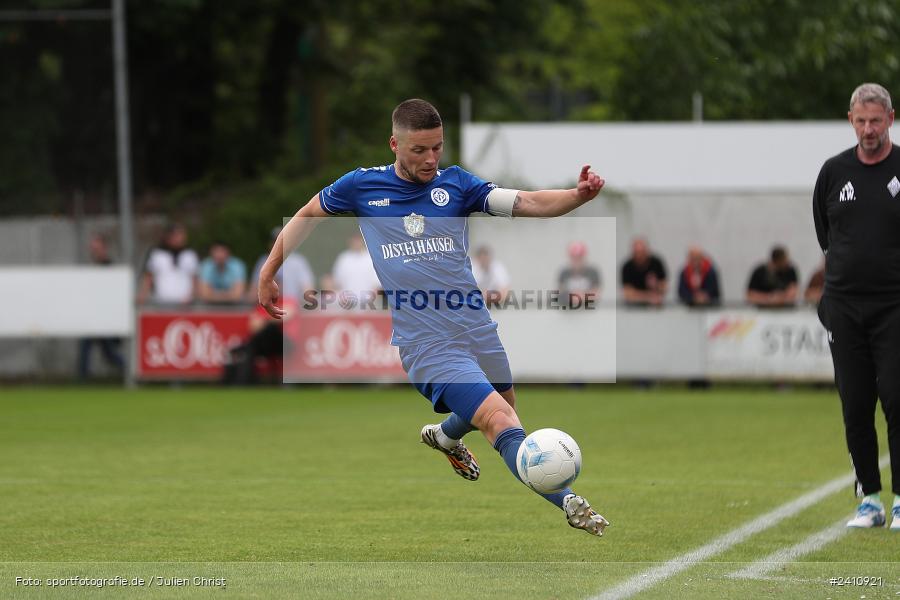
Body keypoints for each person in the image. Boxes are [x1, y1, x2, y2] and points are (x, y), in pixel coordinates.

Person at [258, 99, 609, 536]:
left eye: (436, 149)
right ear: (394, 144)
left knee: (504, 414)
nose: (430, 159)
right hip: (427, 344)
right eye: (419, 150)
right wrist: (270, 270)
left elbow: (526, 203)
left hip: (477, 328)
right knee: (501, 421)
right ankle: (569, 500)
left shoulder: (458, 185)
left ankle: (444, 437)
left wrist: (576, 196)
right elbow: (309, 214)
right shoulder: (361, 187)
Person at [813, 82, 900, 530]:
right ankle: (870, 499)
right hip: (845, 306)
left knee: (897, 398)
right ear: (851, 119)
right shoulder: (833, 172)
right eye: (861, 121)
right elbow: (826, 234)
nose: (869, 129)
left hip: (894, 306)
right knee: (855, 404)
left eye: (876, 121)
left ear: (890, 118)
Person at [77, 234, 125, 378]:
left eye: (96, 248)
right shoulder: (91, 269)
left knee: (109, 353)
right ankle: (82, 379)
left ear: (104, 249)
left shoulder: (110, 269)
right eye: (92, 249)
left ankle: (130, 372)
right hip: (92, 318)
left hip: (107, 319)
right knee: (85, 348)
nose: (94, 252)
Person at [249, 227, 315, 303]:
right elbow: (253, 293)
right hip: (267, 306)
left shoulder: (298, 261)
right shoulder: (263, 262)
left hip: (293, 306)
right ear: (270, 244)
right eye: (276, 241)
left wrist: (300, 305)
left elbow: (308, 289)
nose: (279, 244)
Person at [137, 223, 198, 305]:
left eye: (182, 235)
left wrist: (192, 295)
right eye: (177, 235)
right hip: (161, 303)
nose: (180, 238)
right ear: (168, 236)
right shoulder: (156, 254)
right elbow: (149, 277)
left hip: (185, 305)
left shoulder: (190, 254)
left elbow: (194, 279)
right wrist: (142, 295)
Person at [331, 232, 381, 304]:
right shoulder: (343, 258)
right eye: (354, 240)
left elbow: (377, 284)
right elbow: (337, 282)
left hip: (367, 304)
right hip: (347, 303)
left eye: (358, 240)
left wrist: (371, 303)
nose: (356, 243)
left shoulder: (371, 258)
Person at [621, 237, 667, 306]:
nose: (640, 256)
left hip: (655, 305)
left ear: (647, 251)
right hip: (633, 306)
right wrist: (648, 296)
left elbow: (664, 285)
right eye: (637, 253)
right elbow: (627, 293)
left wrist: (657, 287)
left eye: (642, 252)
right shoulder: (627, 267)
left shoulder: (656, 263)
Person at [557, 241, 601, 308]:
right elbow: (560, 293)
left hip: (588, 309)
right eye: (574, 257)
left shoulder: (592, 272)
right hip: (568, 308)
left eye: (579, 257)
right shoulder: (564, 273)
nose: (577, 261)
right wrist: (581, 296)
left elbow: (596, 294)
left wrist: (575, 297)